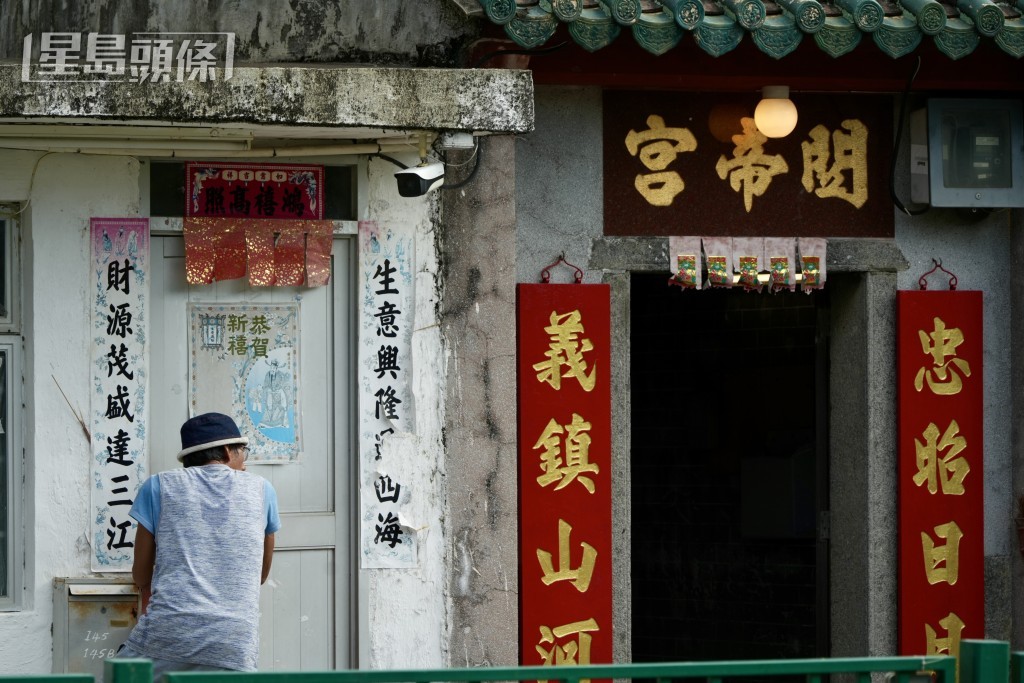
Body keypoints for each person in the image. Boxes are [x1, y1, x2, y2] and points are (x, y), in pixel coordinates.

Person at [117, 412, 281, 680]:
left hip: (168, 634)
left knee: (117, 676)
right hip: (235, 645)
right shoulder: (263, 490)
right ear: (228, 452)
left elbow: (141, 575)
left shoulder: (158, 486)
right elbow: (260, 575)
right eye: (244, 453)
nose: (245, 464)